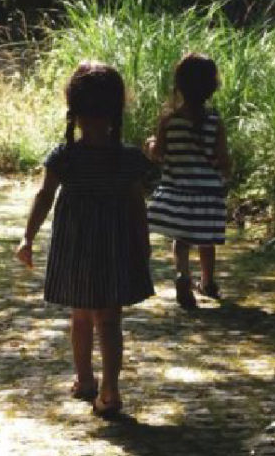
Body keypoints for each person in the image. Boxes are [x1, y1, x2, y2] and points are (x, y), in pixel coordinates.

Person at [16, 61, 154, 418]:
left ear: (73, 111)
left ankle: (84, 379)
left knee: (80, 315)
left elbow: (44, 196)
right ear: (116, 110)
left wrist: (27, 237)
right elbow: (137, 206)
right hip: (114, 248)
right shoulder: (128, 160)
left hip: (75, 249)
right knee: (109, 320)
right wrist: (143, 245)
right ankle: (109, 390)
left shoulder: (65, 157)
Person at [144, 53, 231, 309]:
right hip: (207, 193)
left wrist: (149, 145)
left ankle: (183, 275)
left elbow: (158, 154)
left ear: (179, 86)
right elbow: (223, 159)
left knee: (181, 240)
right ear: (211, 88)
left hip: (177, 191)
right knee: (207, 239)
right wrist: (224, 172)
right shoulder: (215, 122)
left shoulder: (169, 121)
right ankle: (208, 281)